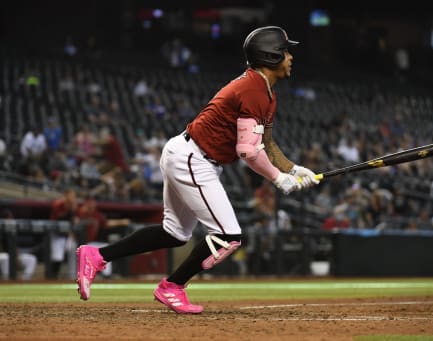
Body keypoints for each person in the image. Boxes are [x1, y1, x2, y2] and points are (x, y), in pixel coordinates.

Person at [75, 26, 320, 314]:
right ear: (272, 55)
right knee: (229, 236)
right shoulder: (253, 89)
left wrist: (293, 169)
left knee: (175, 233)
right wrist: (279, 179)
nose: (291, 56)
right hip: (194, 159)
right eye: (286, 51)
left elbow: (265, 143)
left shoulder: (264, 91)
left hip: (189, 154)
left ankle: (97, 255)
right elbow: (248, 151)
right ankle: (173, 286)